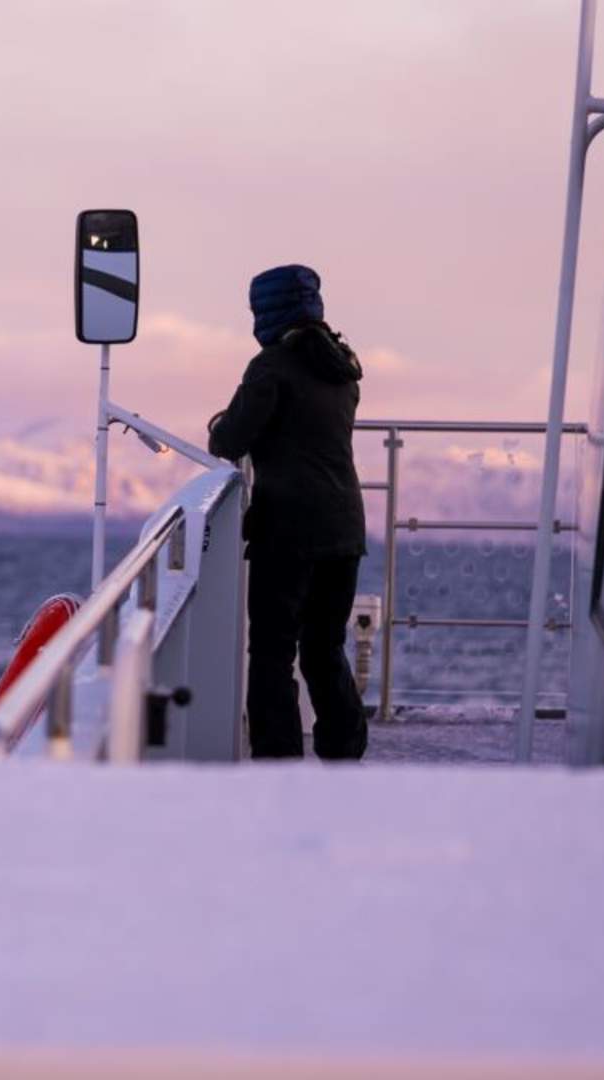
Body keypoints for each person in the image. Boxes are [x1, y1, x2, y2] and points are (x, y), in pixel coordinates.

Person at [207, 264, 368, 760]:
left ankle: (277, 758)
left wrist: (221, 421)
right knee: (324, 648)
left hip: (289, 532)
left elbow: (229, 438)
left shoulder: (271, 367)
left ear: (266, 310)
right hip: (344, 527)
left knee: (273, 652)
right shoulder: (343, 365)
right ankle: (344, 749)